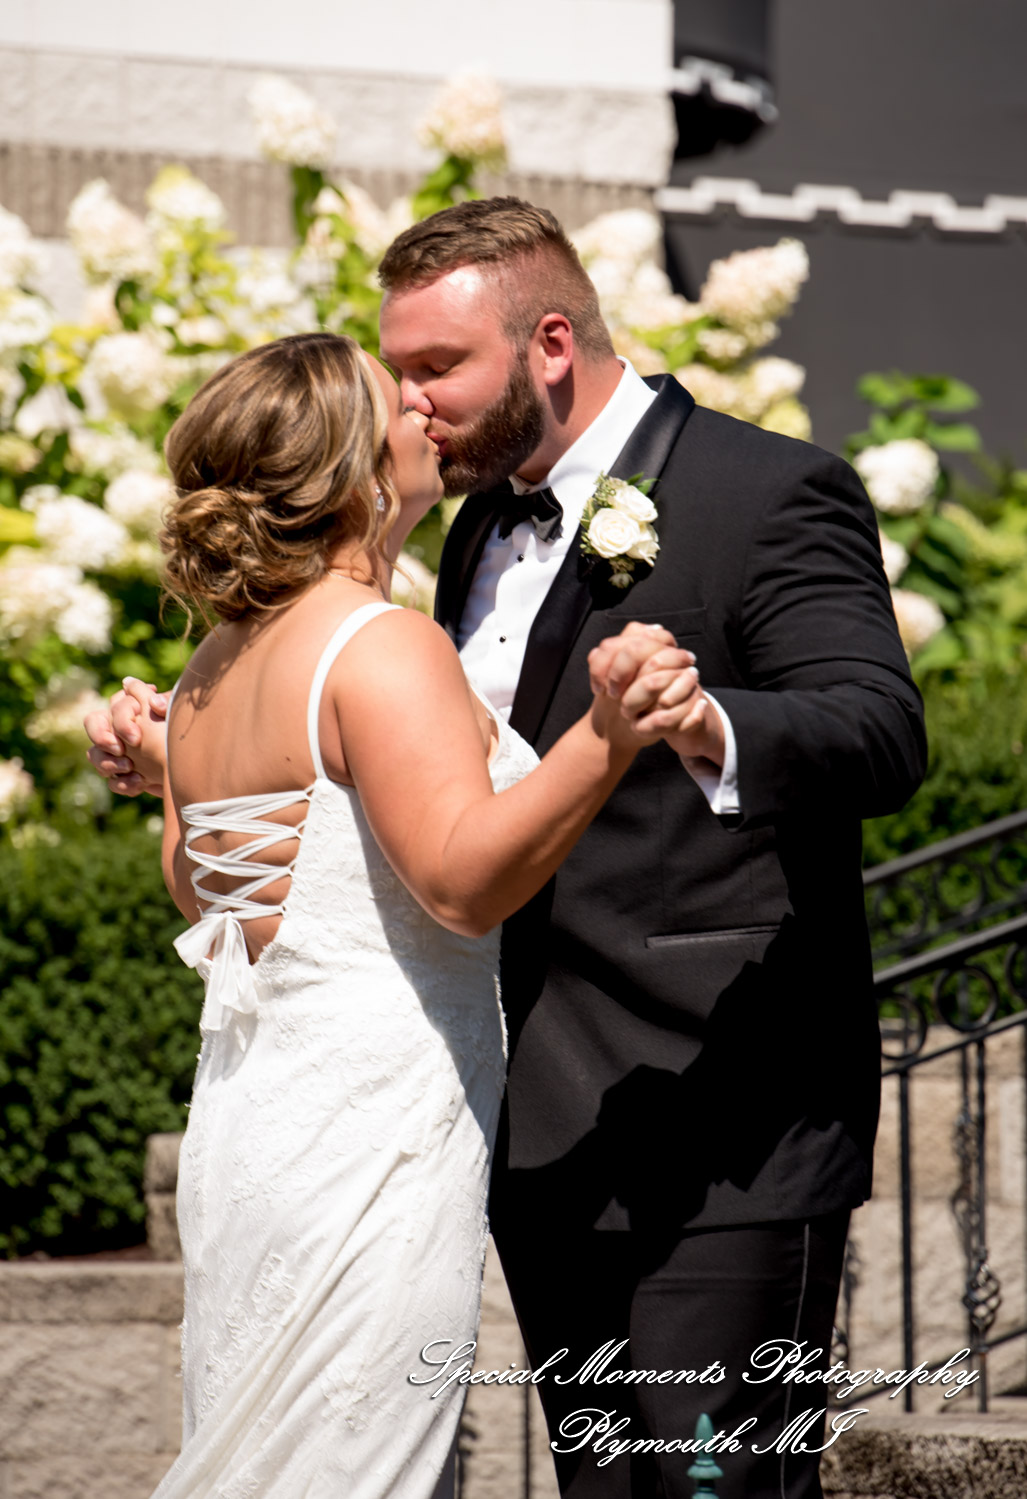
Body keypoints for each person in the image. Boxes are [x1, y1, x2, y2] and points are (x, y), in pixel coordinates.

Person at [89, 200, 927, 1498]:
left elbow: (876, 731)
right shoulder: (467, 532)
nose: (415, 406)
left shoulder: (765, 489)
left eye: (435, 369)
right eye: (399, 378)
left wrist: (696, 718)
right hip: (521, 1132)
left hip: (710, 1126)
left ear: (546, 342)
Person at [126, 330, 705, 1499]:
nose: (421, 411)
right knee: (361, 1465)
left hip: (254, 1120)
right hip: (370, 1130)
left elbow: (202, 894)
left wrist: (165, 771)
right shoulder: (379, 644)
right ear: (348, 469)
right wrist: (604, 733)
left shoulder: (208, 669)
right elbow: (457, 879)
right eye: (392, 402)